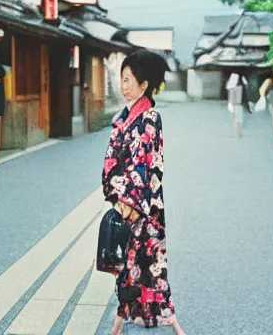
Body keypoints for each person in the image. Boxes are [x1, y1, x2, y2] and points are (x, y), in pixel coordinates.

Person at [102, 50, 185, 335]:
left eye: (128, 80)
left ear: (144, 84)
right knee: (128, 267)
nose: (124, 87)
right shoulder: (126, 117)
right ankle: (120, 321)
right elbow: (115, 159)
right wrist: (117, 194)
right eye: (121, 80)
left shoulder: (149, 118)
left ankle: (169, 319)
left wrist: (128, 202)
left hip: (143, 207)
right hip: (127, 201)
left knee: (149, 267)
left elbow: (143, 165)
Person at [226, 73, 249, 137]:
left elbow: (230, 96)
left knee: (235, 119)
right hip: (238, 103)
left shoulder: (232, 85)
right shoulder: (240, 85)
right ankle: (238, 133)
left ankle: (237, 132)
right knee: (239, 119)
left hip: (234, 103)